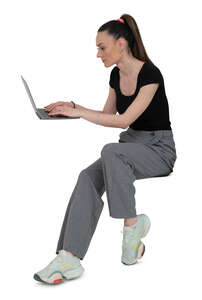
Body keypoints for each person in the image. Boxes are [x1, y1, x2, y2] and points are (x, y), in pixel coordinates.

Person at [34, 14, 177, 285]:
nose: (98, 54)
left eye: (102, 47)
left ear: (121, 44)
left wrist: (79, 113)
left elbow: (123, 120)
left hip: (159, 149)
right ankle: (70, 257)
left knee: (110, 151)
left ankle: (131, 228)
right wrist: (73, 108)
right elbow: (108, 115)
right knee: (87, 176)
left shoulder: (150, 74)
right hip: (129, 147)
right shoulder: (115, 75)